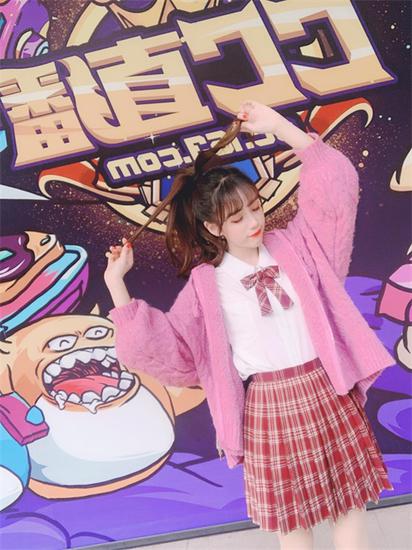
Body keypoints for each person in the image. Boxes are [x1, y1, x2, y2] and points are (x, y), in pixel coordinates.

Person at [104, 101, 394, 550]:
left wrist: (280, 126)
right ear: (212, 227)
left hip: (326, 387)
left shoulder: (298, 245)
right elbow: (171, 351)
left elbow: (335, 194)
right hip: (268, 404)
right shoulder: (206, 286)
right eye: (237, 218)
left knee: (350, 504)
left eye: (256, 208)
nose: (254, 222)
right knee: (293, 523)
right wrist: (116, 285)